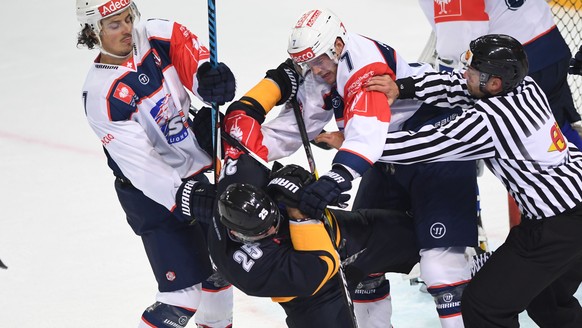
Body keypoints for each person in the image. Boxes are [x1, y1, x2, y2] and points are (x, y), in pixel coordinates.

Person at [281, 8, 479, 327]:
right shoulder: (323, 70)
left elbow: (366, 139)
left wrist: (337, 177)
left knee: (441, 270)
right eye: (306, 63)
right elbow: (296, 126)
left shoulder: (364, 67)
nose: (313, 69)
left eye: (317, 59)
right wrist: (238, 133)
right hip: (387, 155)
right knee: (360, 257)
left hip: (437, 153)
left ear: (338, 45)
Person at [373, 33, 582, 328]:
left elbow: (424, 145)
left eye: (472, 71)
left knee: (483, 306)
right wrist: (404, 87)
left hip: (554, 228)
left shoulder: (490, 121)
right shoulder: (527, 86)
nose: (464, 74)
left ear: (494, 83)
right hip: (574, 206)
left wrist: (358, 144)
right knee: (547, 302)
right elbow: (457, 87)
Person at [76, 1, 235, 327]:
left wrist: (209, 77)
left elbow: (194, 58)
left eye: (127, 19)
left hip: (198, 169)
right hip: (151, 195)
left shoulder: (156, 34)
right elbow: (144, 169)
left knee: (220, 272)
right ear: (93, 30)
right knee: (183, 296)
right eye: (114, 25)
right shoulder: (100, 95)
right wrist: (188, 197)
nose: (126, 30)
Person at [208, 148, 420, 328]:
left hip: (348, 233)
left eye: (273, 219)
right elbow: (323, 262)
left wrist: (301, 183)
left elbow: (236, 141)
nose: (274, 228)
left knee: (428, 240)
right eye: (264, 232)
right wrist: (297, 209)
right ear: (237, 234)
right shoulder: (250, 272)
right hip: (314, 297)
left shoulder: (243, 177)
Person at [417, 0, 582, 150]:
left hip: (513, 68)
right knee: (556, 129)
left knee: (531, 146)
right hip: (551, 49)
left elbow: (459, 43)